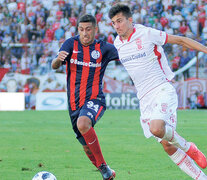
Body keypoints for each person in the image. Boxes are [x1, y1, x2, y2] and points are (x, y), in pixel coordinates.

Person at [109, 4, 207, 180]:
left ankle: (188, 147)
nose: (116, 26)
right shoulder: (117, 43)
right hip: (144, 98)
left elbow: (181, 40)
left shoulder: (146, 33)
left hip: (161, 88)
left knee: (156, 128)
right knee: (168, 146)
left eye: (120, 21)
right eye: (113, 23)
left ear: (130, 20)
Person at [51, 14, 118, 180]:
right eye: (81, 29)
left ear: (95, 29)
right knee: (86, 147)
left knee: (83, 123)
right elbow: (54, 66)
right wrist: (57, 60)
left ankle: (103, 167)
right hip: (74, 104)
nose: (84, 33)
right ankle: (108, 174)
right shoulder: (70, 44)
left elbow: (127, 57)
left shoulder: (104, 48)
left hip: (95, 99)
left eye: (88, 29)